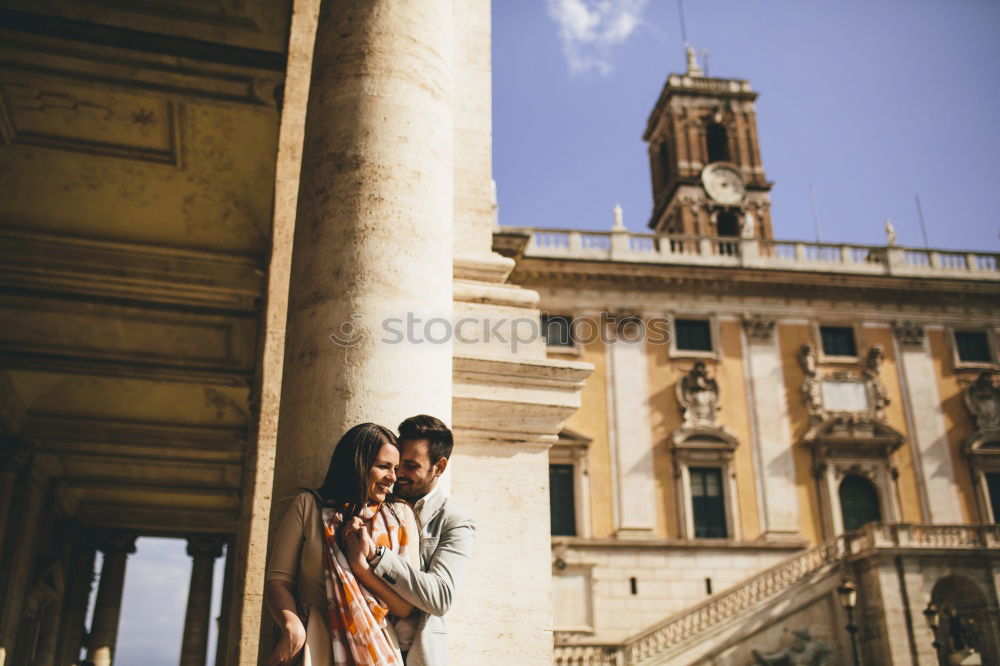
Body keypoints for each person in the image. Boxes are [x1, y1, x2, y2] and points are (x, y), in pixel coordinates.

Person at [265, 423, 421, 666]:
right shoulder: (309, 506)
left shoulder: (399, 516)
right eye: (383, 467)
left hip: (377, 647)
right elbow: (278, 581)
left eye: (396, 468)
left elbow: (406, 606)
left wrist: (361, 568)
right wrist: (292, 627)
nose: (393, 477)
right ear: (357, 464)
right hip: (316, 642)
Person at [343, 415, 476, 666]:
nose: (397, 474)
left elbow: (440, 597)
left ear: (440, 467)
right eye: (396, 464)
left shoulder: (455, 521)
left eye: (411, 466)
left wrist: (379, 557)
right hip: (359, 641)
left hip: (410, 655)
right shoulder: (373, 502)